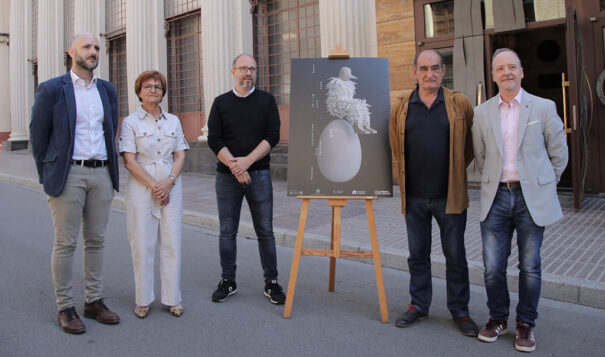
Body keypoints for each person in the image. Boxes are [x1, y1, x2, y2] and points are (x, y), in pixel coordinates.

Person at [472, 48, 568, 353]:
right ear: (493, 75)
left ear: (522, 72)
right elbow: (481, 155)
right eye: (500, 68)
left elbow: (559, 153)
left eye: (512, 66)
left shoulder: (543, 107)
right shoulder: (482, 112)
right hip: (496, 196)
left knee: (530, 266)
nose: (506, 72)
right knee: (492, 267)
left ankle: (525, 324)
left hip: (530, 199)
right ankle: (497, 318)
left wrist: (543, 184)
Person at [30, 32, 120, 334]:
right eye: (87, 47)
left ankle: (93, 301)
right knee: (66, 242)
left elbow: (110, 132)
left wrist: (109, 174)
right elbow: (38, 136)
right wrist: (49, 174)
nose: (93, 51)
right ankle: (65, 306)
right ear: (72, 52)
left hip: (102, 173)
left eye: (97, 47)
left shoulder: (107, 90)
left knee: (96, 240)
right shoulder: (53, 88)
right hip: (69, 173)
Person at [389, 49, 478, 336]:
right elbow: (395, 146)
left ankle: (460, 311)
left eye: (436, 68)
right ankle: (419, 305)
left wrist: (452, 173)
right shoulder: (401, 106)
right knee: (417, 255)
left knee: (455, 256)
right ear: (414, 72)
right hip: (414, 196)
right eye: (424, 69)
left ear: (443, 70)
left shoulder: (458, 102)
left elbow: (468, 148)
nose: (430, 74)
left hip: (448, 196)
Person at [207, 53, 285, 305]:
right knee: (227, 231)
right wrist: (234, 165)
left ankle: (271, 282)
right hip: (227, 177)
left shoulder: (266, 101)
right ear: (233, 72)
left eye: (252, 69)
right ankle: (227, 280)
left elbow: (272, 135)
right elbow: (214, 139)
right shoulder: (220, 103)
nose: (248, 73)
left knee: (265, 231)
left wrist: (247, 162)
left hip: (259, 175)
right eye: (243, 68)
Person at [119, 70, 189, 319]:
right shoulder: (131, 122)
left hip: (171, 183)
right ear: (139, 91)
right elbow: (129, 160)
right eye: (147, 86)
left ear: (163, 92)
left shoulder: (174, 121)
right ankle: (143, 299)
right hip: (141, 185)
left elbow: (180, 154)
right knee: (142, 243)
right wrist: (154, 185)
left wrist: (169, 182)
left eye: (158, 87)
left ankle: (173, 298)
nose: (153, 90)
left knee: (172, 242)